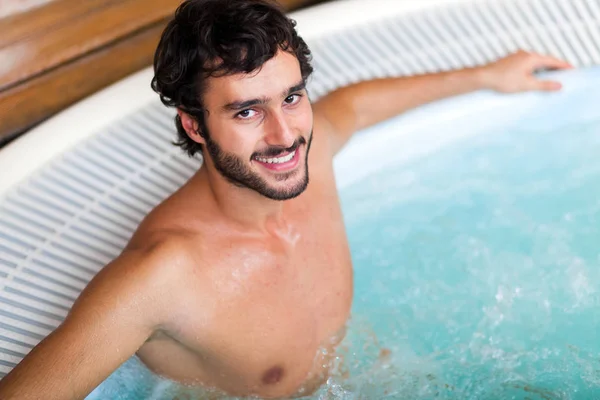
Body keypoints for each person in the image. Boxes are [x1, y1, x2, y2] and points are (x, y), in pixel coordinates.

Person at [0, 0, 573, 398]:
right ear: (194, 126)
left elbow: (354, 106)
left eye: (291, 97)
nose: (283, 135)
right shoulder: (161, 277)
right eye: (246, 111)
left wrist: (486, 76)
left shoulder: (311, 156)